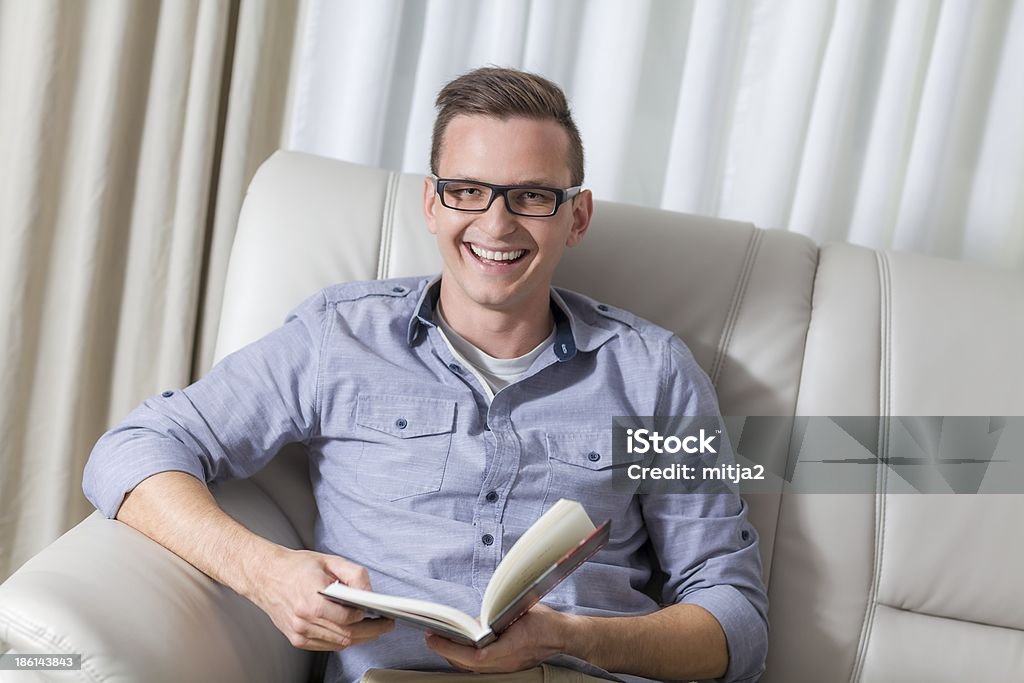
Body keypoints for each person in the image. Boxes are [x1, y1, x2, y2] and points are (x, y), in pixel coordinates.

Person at [83, 67, 767, 683]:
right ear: (432, 203)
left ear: (576, 216)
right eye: (468, 190)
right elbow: (132, 448)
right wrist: (265, 572)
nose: (496, 224)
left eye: (531, 195)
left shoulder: (654, 374)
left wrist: (573, 637)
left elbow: (735, 621)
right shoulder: (339, 338)